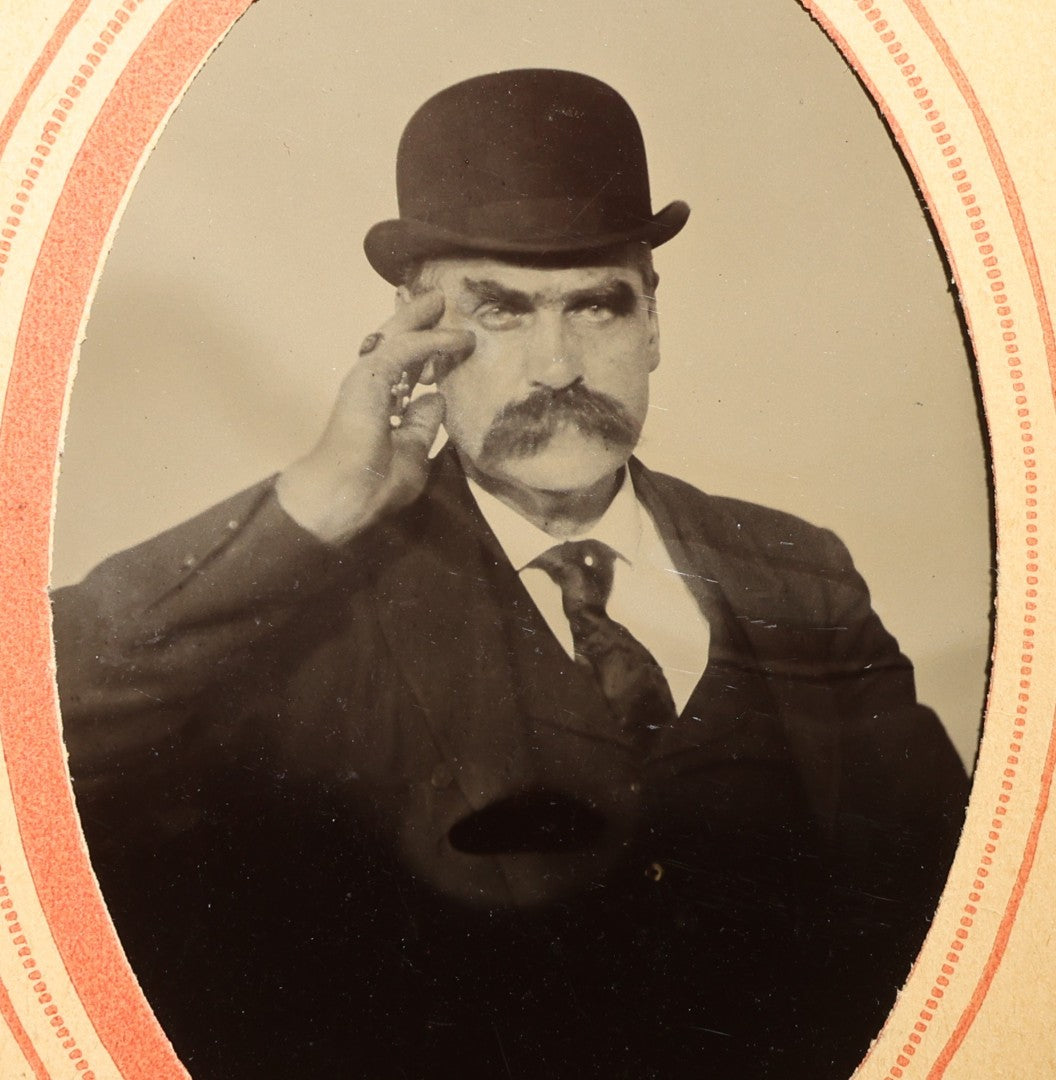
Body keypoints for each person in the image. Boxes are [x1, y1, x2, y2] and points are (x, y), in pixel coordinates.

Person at [53, 69, 969, 1079]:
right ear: (415, 333)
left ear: (653, 322)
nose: (558, 368)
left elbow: (944, 900)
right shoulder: (300, 593)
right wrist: (317, 500)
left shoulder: (799, 575)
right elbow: (35, 729)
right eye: (500, 312)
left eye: (597, 309)